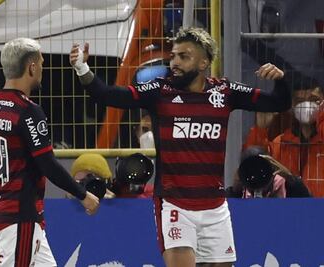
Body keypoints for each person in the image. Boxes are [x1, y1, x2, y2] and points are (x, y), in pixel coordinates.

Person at [70, 27, 291, 266]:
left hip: (215, 207)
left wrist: (281, 80)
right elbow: (109, 95)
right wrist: (82, 68)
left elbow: (279, 103)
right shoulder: (159, 91)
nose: (174, 62)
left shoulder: (225, 92)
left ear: (204, 62)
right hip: (175, 204)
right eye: (173, 55)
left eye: (184, 56)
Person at [0, 37, 99, 267]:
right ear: (31, 67)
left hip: (2, 212)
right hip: (20, 216)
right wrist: (82, 194)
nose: (42, 68)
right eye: (41, 63)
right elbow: (46, 163)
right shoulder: (28, 111)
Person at [244, 78, 324, 197]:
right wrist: (260, 129)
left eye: (314, 100)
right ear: (291, 106)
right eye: (299, 101)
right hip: (286, 209)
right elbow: (252, 166)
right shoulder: (280, 143)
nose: (307, 106)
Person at [228, 146, 311, 198]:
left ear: (272, 168)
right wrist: (236, 188)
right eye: (251, 171)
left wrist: (289, 177)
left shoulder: (290, 188)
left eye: (261, 170)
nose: (257, 176)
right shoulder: (238, 193)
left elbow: (310, 210)